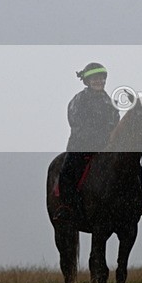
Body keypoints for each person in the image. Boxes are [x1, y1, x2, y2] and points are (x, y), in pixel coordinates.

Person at [53, 62, 121, 223]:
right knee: (69, 170)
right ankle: (67, 206)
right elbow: (77, 125)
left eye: (101, 78)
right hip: (81, 147)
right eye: (95, 78)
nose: (99, 81)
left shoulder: (110, 102)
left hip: (106, 149)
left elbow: (116, 124)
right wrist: (101, 139)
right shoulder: (79, 100)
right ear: (88, 81)